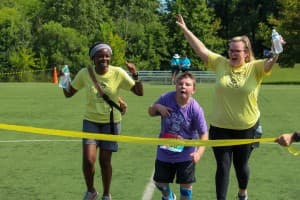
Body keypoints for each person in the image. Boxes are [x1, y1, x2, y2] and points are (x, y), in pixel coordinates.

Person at [176, 15, 280, 200]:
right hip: (220, 127)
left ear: (246, 53)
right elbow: (200, 49)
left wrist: (277, 51)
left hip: (246, 128)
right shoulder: (220, 63)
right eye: (230, 50)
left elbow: (270, 63)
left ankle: (242, 192)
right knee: (223, 167)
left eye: (237, 51)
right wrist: (186, 30)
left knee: (241, 167)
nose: (232, 53)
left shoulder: (254, 68)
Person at [62, 42, 144, 200]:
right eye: (100, 56)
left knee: (105, 161)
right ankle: (91, 190)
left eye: (107, 55)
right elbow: (68, 93)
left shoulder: (118, 72)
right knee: (88, 160)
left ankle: (106, 194)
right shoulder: (85, 73)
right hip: (91, 121)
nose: (104, 58)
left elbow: (139, 92)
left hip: (111, 123)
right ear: (93, 58)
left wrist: (135, 74)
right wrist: (64, 80)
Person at [148, 72, 208, 200]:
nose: (183, 87)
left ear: (193, 89)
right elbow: (150, 112)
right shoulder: (165, 98)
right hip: (165, 151)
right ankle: (169, 196)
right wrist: (158, 107)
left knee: (186, 191)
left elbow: (204, 134)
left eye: (187, 84)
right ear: (175, 86)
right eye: (180, 84)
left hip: (186, 155)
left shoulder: (196, 109)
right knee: (160, 183)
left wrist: (198, 153)